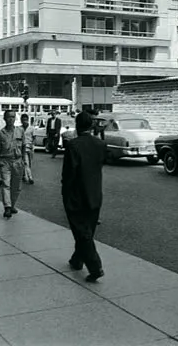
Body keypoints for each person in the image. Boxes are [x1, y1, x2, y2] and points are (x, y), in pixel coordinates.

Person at [61, 111, 107, 283]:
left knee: (82, 233)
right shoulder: (100, 144)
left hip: (76, 195)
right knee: (87, 230)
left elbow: (68, 174)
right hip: (95, 193)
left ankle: (95, 267)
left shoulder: (73, 145)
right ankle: (77, 259)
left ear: (77, 125)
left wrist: (65, 192)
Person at [0, 111, 26, 218]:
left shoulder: (20, 131)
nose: (11, 119)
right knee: (6, 184)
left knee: (16, 186)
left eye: (13, 117)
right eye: (9, 117)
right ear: (5, 118)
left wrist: (24, 161)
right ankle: (7, 207)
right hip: (5, 161)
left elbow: (24, 146)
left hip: (17, 161)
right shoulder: (0, 133)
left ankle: (12, 205)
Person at [21, 113, 35, 184]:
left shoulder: (31, 128)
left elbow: (34, 137)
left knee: (29, 163)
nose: (24, 121)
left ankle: (24, 175)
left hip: (30, 147)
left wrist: (33, 145)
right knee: (26, 162)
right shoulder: (20, 129)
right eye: (23, 120)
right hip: (23, 148)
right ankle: (30, 177)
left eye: (26, 120)